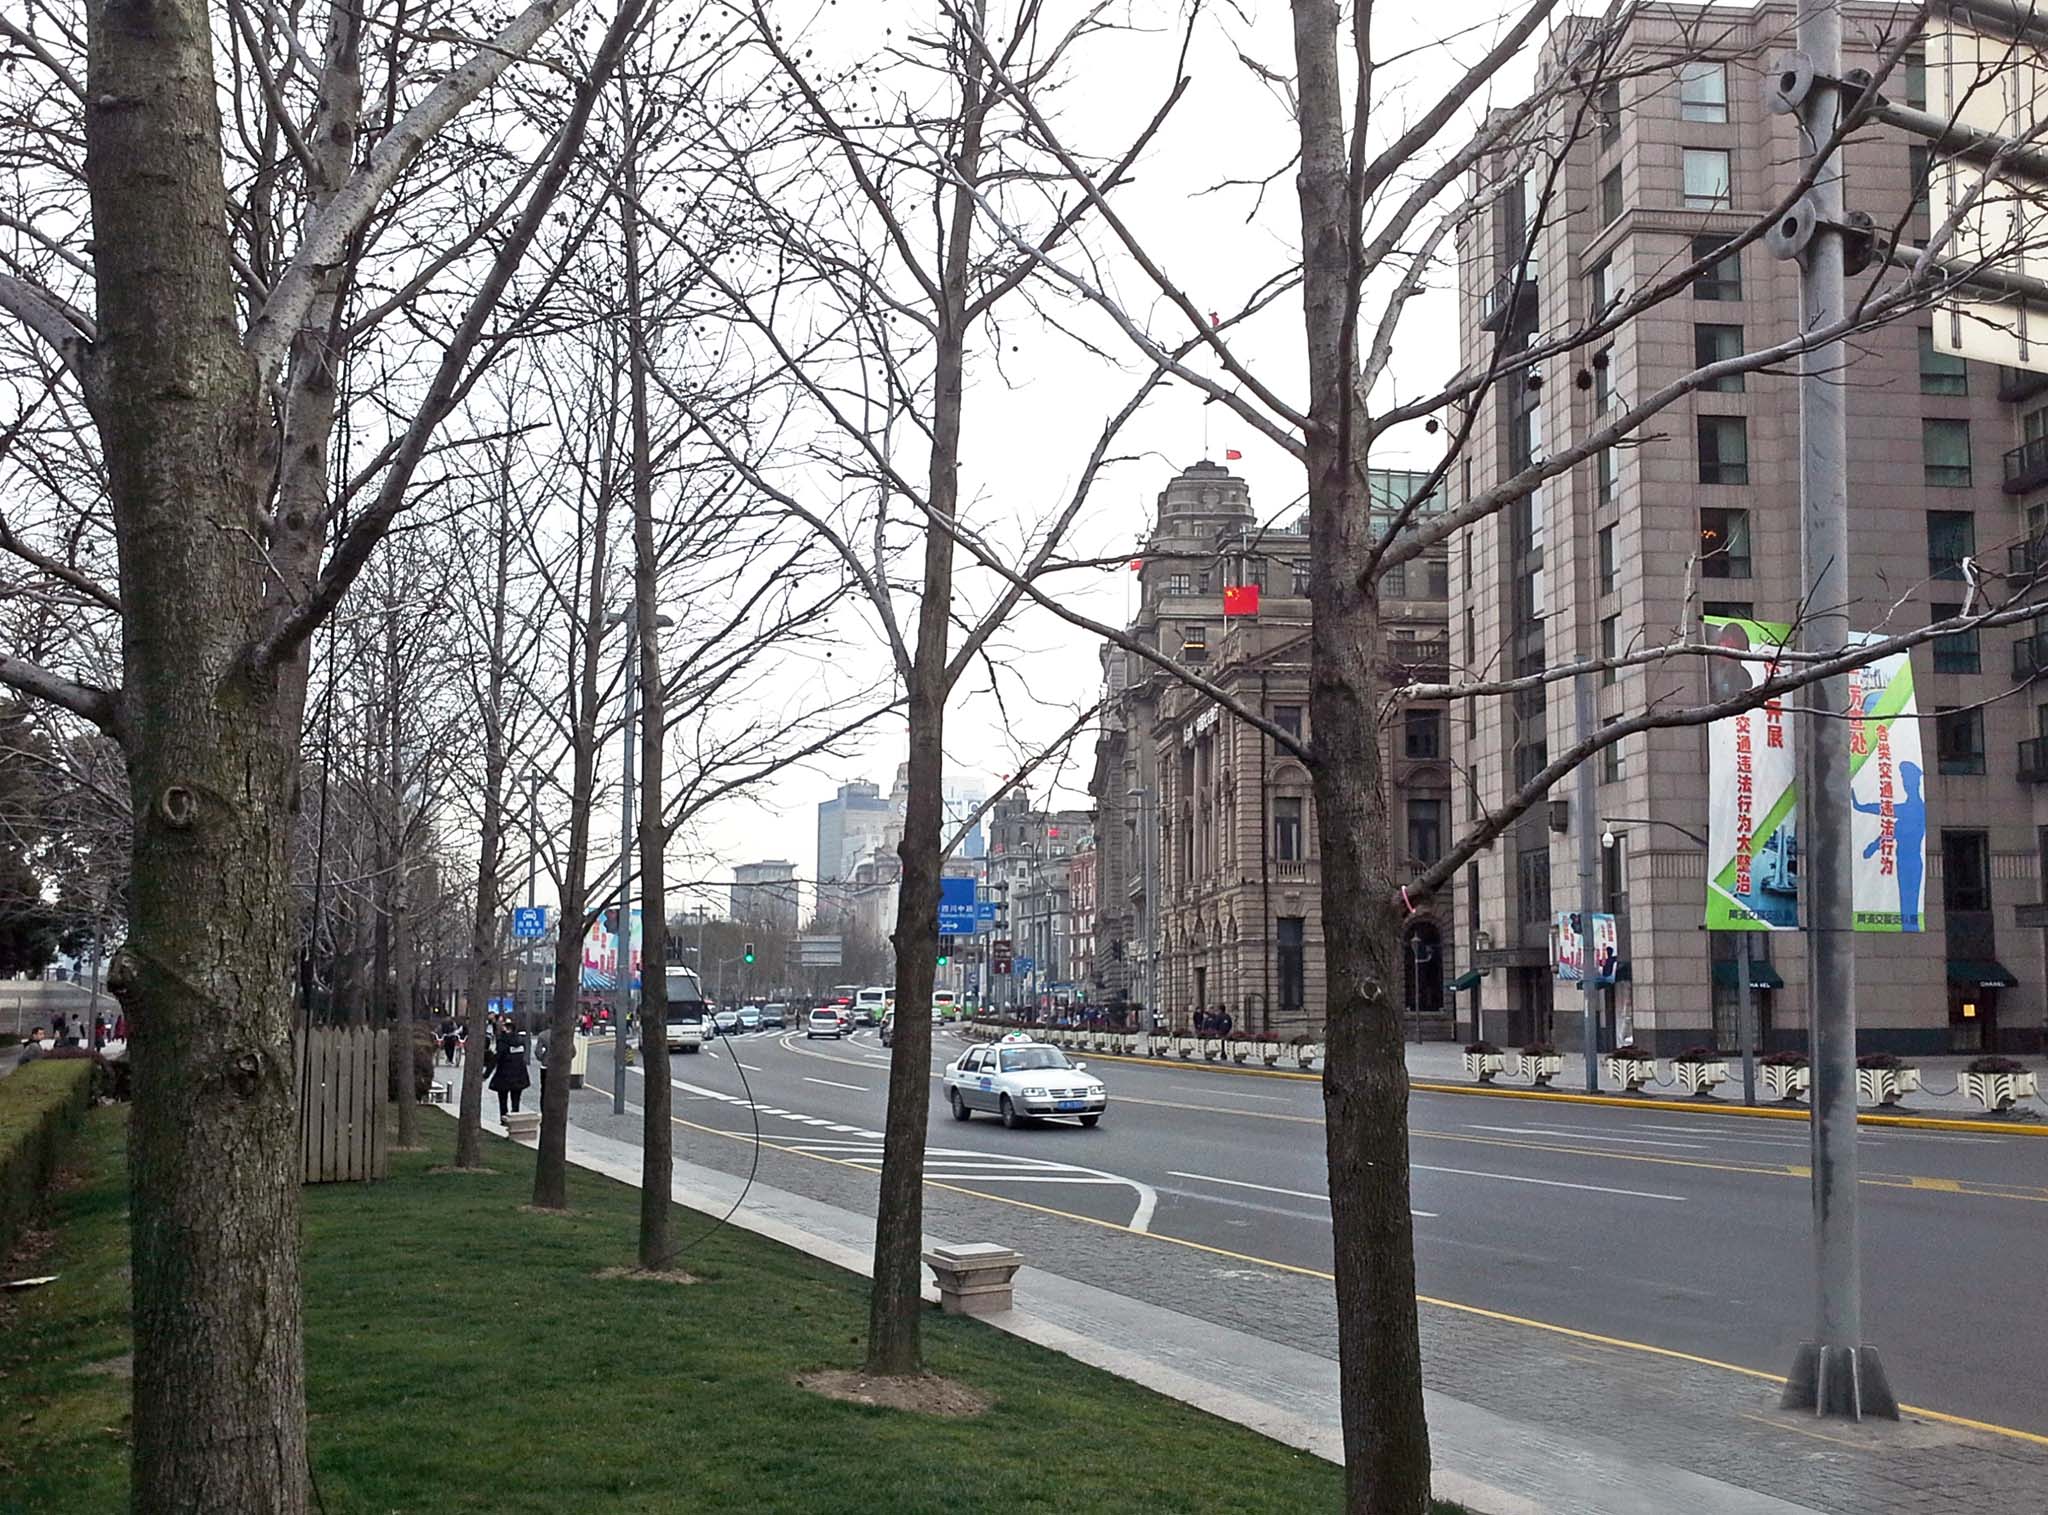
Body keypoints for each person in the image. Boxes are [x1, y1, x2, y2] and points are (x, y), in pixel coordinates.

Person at [485, 1017, 531, 1119]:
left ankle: (504, 1119)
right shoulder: (520, 1041)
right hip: (519, 1074)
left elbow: (495, 1059)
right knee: (516, 1100)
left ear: (506, 1029)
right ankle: (515, 1118)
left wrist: (486, 1074)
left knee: (503, 1100)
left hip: (504, 1075)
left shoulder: (502, 1042)